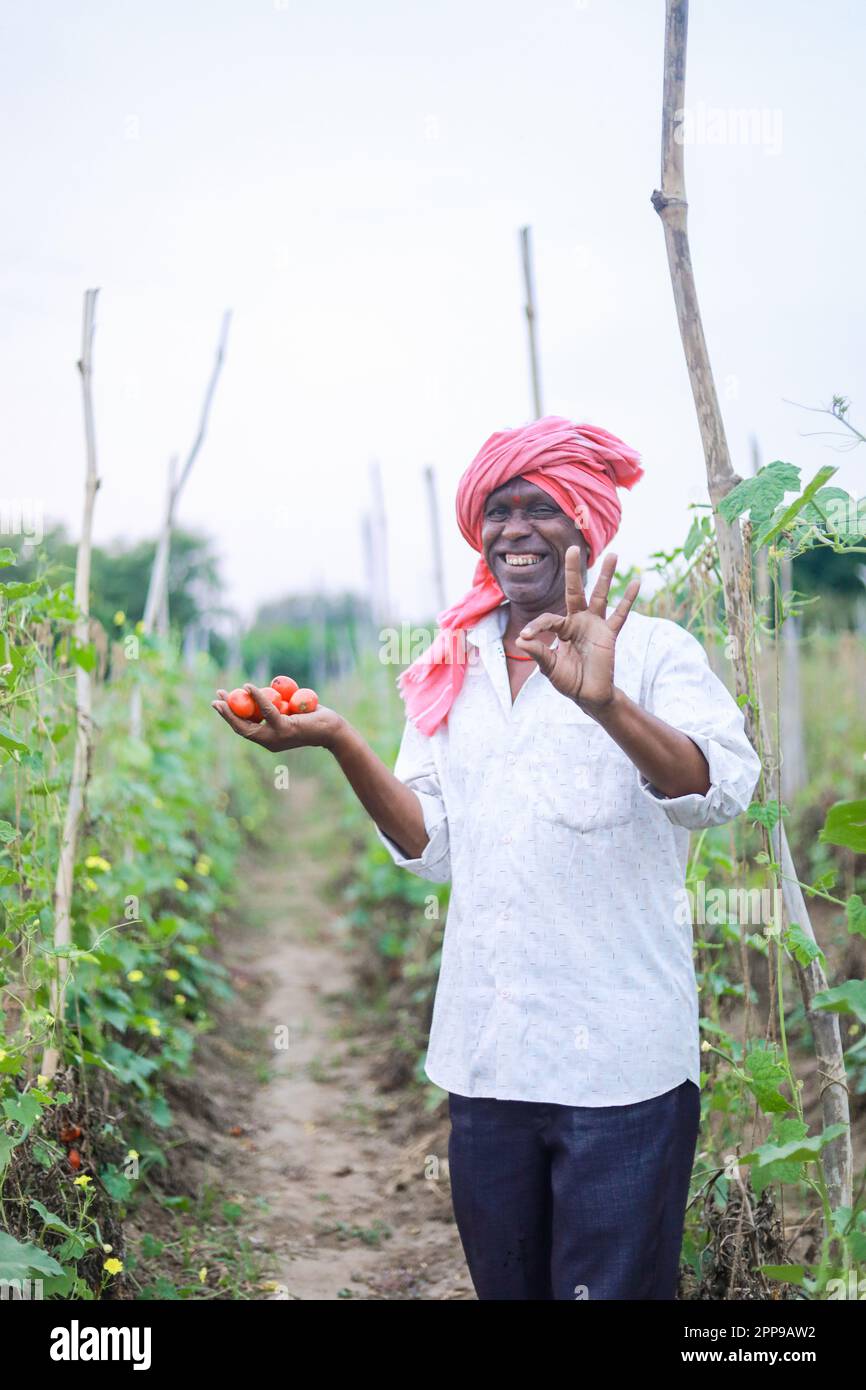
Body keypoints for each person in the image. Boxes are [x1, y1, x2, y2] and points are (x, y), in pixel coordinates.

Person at [213, 415, 761, 1301]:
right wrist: (339, 739)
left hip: (621, 1071)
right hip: (487, 1058)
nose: (515, 529)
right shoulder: (451, 664)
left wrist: (607, 706)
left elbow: (720, 789)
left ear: (586, 520)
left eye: (539, 508)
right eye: (498, 511)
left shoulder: (655, 652)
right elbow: (431, 845)